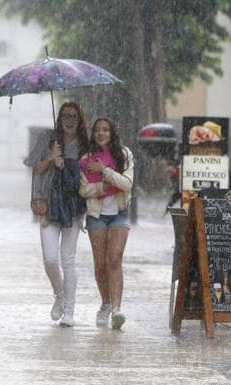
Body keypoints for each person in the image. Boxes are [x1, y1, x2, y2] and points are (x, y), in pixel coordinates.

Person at [24, 102, 89, 327]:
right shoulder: (48, 139)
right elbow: (35, 169)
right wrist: (51, 157)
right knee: (50, 258)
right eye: (65, 116)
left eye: (74, 116)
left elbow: (89, 177)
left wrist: (70, 167)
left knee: (68, 260)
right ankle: (59, 294)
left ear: (79, 120)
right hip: (49, 206)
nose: (69, 120)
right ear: (59, 118)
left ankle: (70, 310)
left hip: (73, 208)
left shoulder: (85, 145)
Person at [79, 118, 134, 329]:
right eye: (97, 130)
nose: (101, 133)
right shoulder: (86, 160)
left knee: (115, 258)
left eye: (105, 129)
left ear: (112, 133)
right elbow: (84, 190)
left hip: (119, 213)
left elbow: (127, 184)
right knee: (101, 265)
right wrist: (104, 186)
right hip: (96, 215)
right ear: (93, 134)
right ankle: (105, 303)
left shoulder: (124, 155)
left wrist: (105, 171)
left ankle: (117, 309)